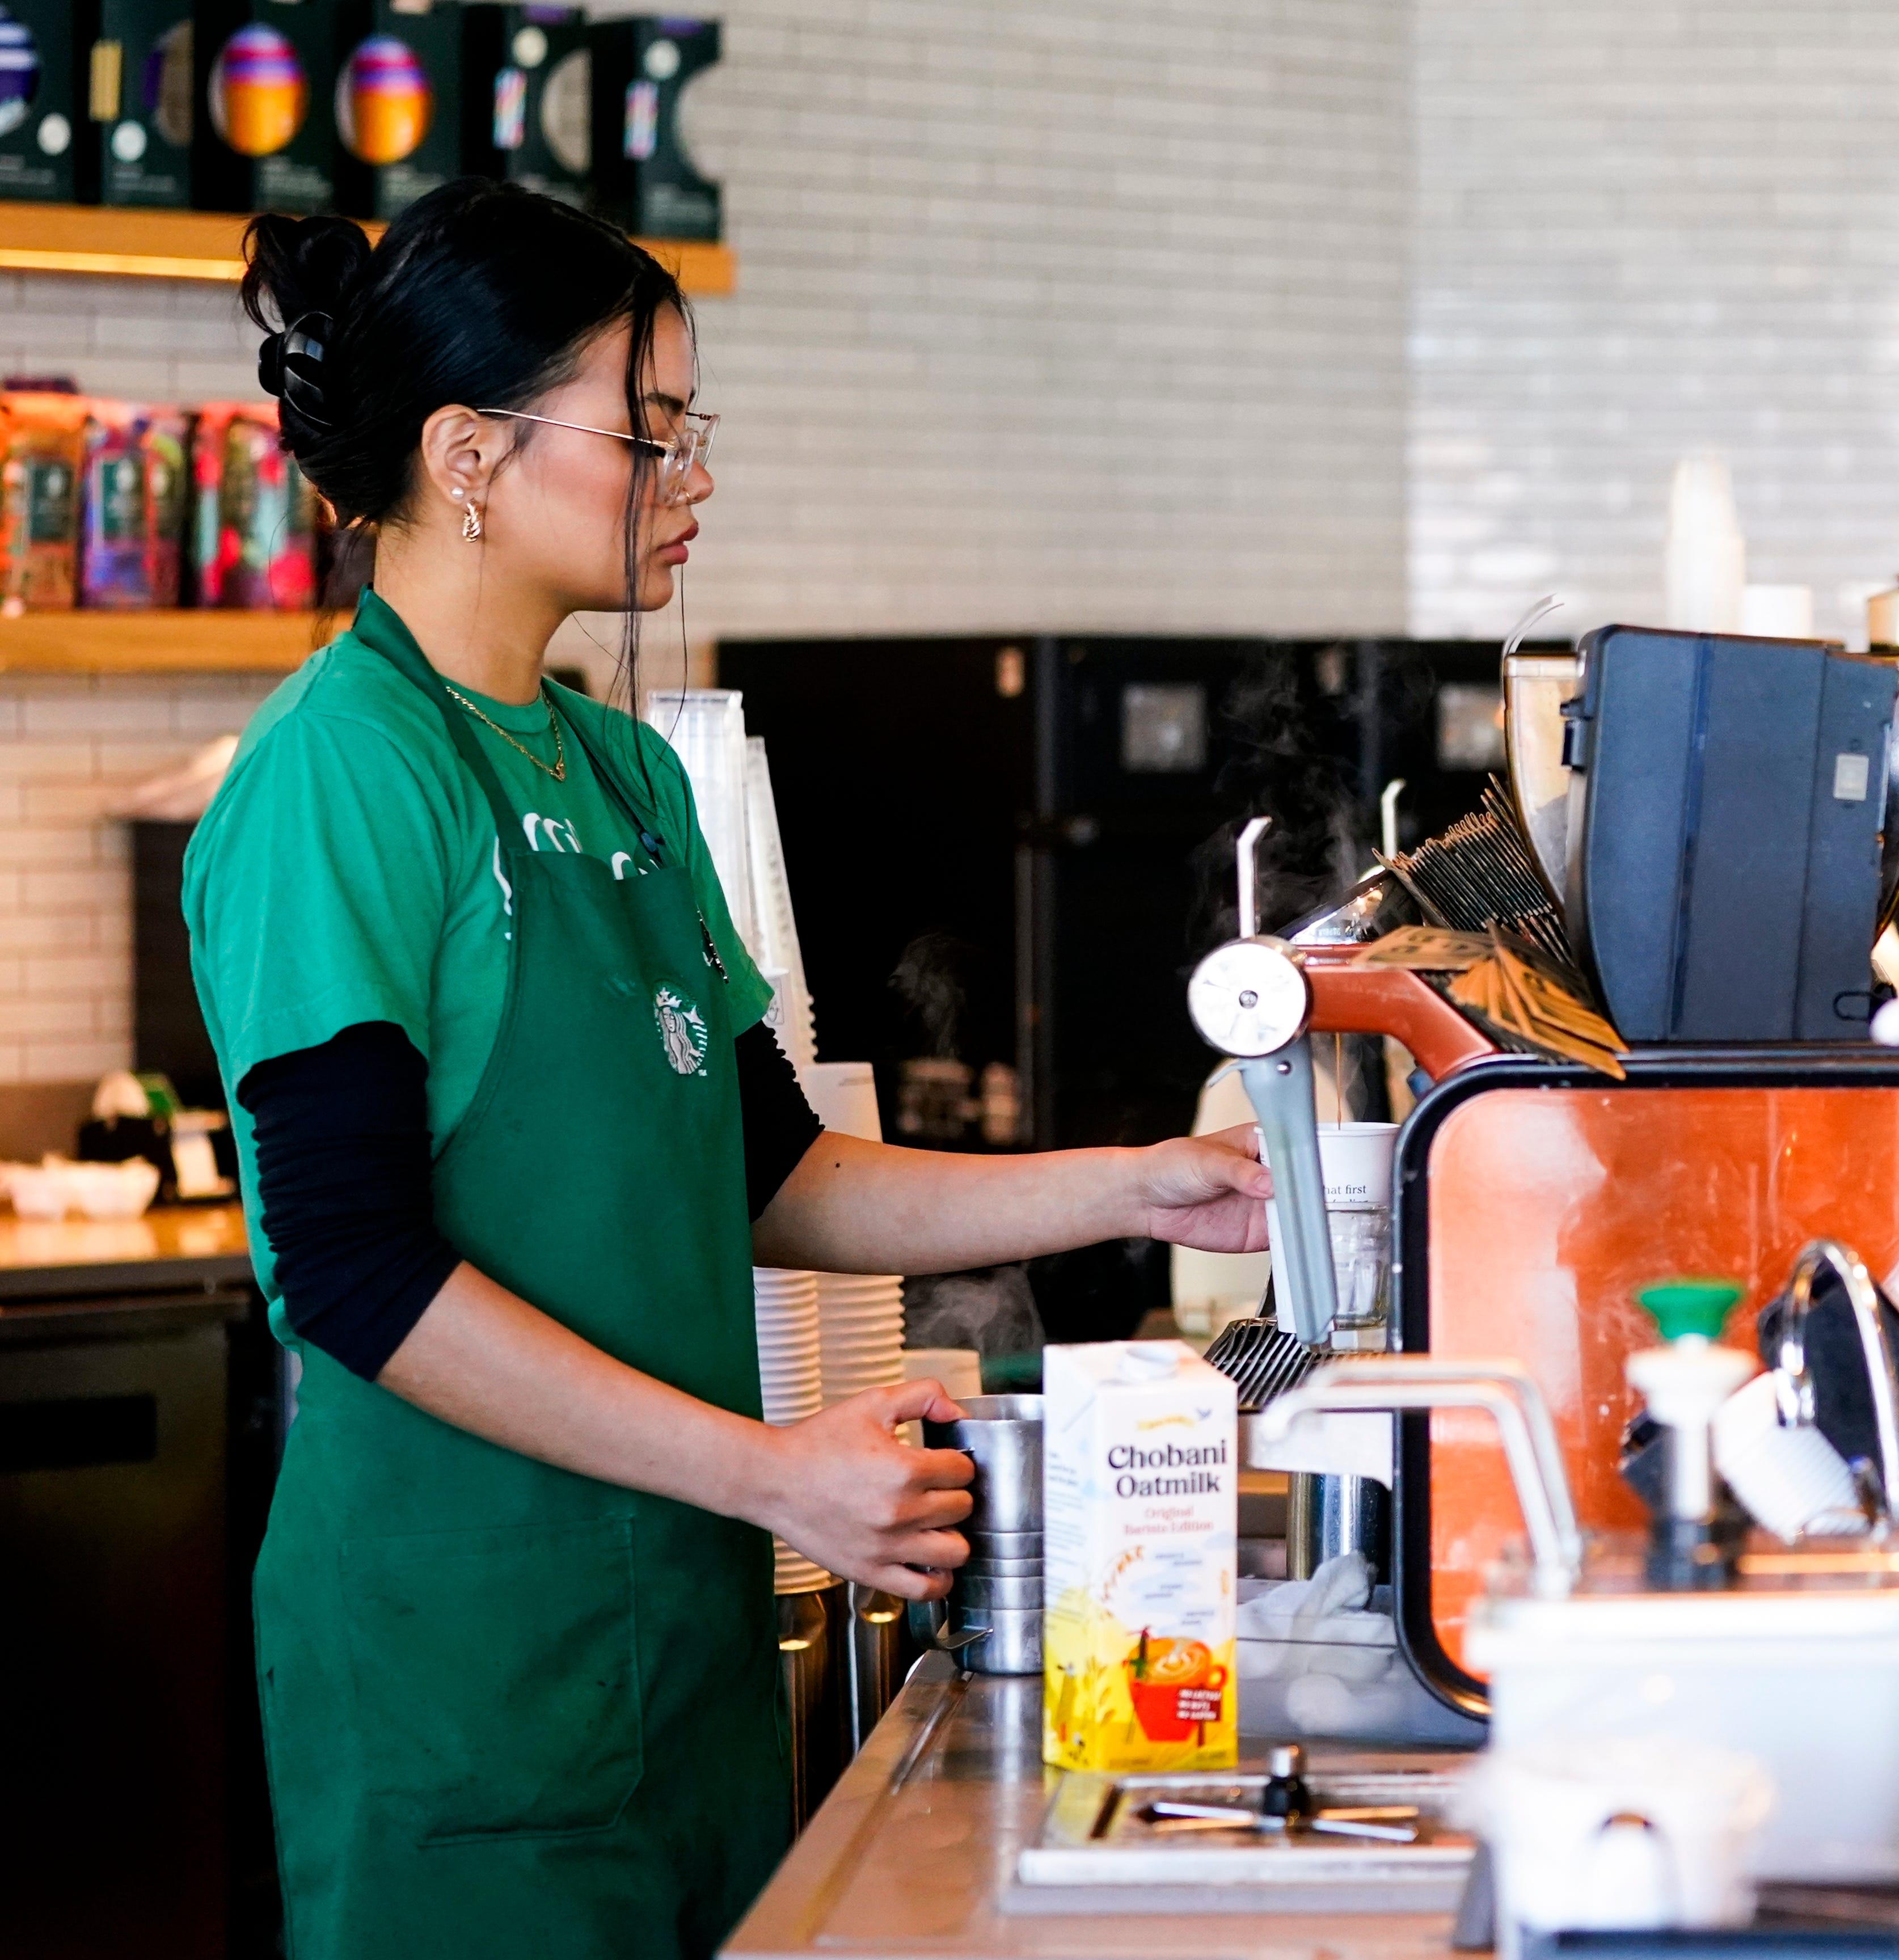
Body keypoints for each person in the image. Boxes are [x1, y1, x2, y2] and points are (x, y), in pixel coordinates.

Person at [182, 181, 1271, 1960]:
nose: (692, 480)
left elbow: (769, 1168)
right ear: (470, 453)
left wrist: (1140, 1182)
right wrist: (773, 1472)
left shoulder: (627, 776)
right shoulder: (341, 778)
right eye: (653, 434)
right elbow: (352, 1272)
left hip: (682, 1661)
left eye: (695, 435)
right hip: (470, 1680)